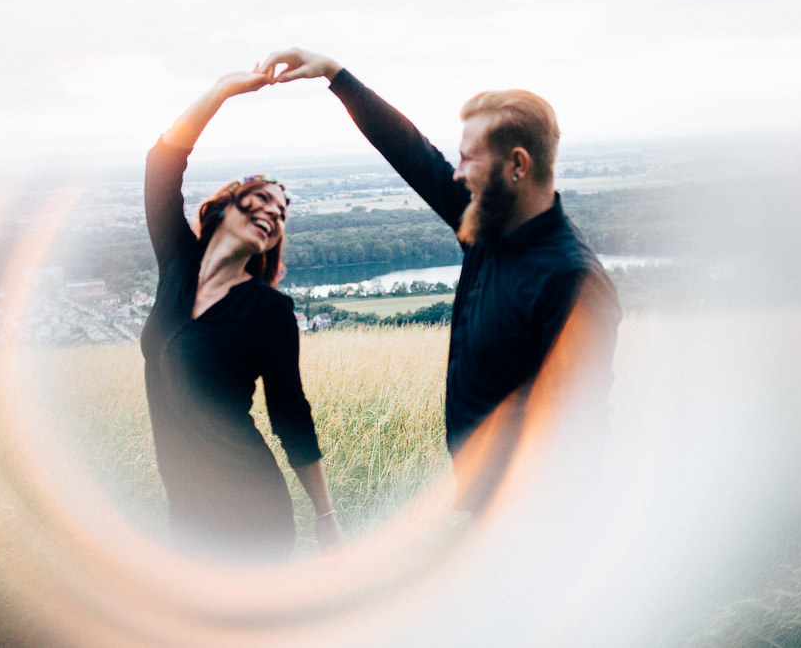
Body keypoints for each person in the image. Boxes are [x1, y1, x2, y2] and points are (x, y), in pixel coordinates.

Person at [261, 48, 622, 515]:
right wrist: (337, 75)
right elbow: (415, 155)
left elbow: (580, 430)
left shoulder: (573, 281)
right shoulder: (488, 225)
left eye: (469, 158)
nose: (457, 172)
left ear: (518, 164)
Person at [140, 67, 343, 561]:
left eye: (282, 212)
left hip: (252, 506)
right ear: (224, 208)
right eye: (263, 199)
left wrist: (325, 514)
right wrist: (222, 91)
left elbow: (290, 413)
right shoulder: (178, 263)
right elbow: (163, 162)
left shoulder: (269, 310)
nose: (275, 212)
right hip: (187, 509)